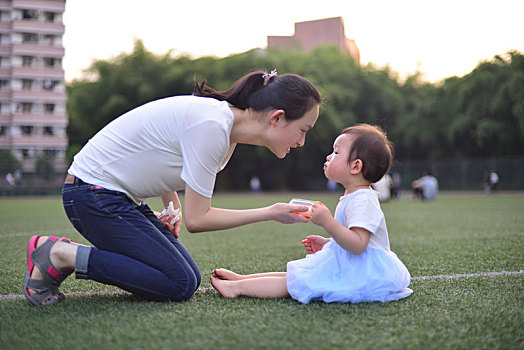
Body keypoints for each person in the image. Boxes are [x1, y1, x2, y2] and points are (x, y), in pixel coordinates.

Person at [23, 69, 322, 306]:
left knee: (188, 278)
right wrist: (271, 212)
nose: (301, 141)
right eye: (303, 130)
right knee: (178, 283)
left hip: (113, 197)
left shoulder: (224, 128)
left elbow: (165, 153)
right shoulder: (213, 127)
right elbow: (199, 220)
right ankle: (60, 254)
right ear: (277, 118)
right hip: (91, 195)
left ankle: (61, 254)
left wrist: (171, 209)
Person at [211, 124, 413, 304]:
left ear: (355, 166)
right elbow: (353, 239)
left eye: (336, 153)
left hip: (364, 272)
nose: (328, 156)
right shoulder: (353, 196)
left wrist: (327, 222)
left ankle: (236, 288)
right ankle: (242, 279)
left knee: (297, 281)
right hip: (353, 264)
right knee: (298, 273)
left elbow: (359, 245)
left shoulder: (363, 200)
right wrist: (328, 242)